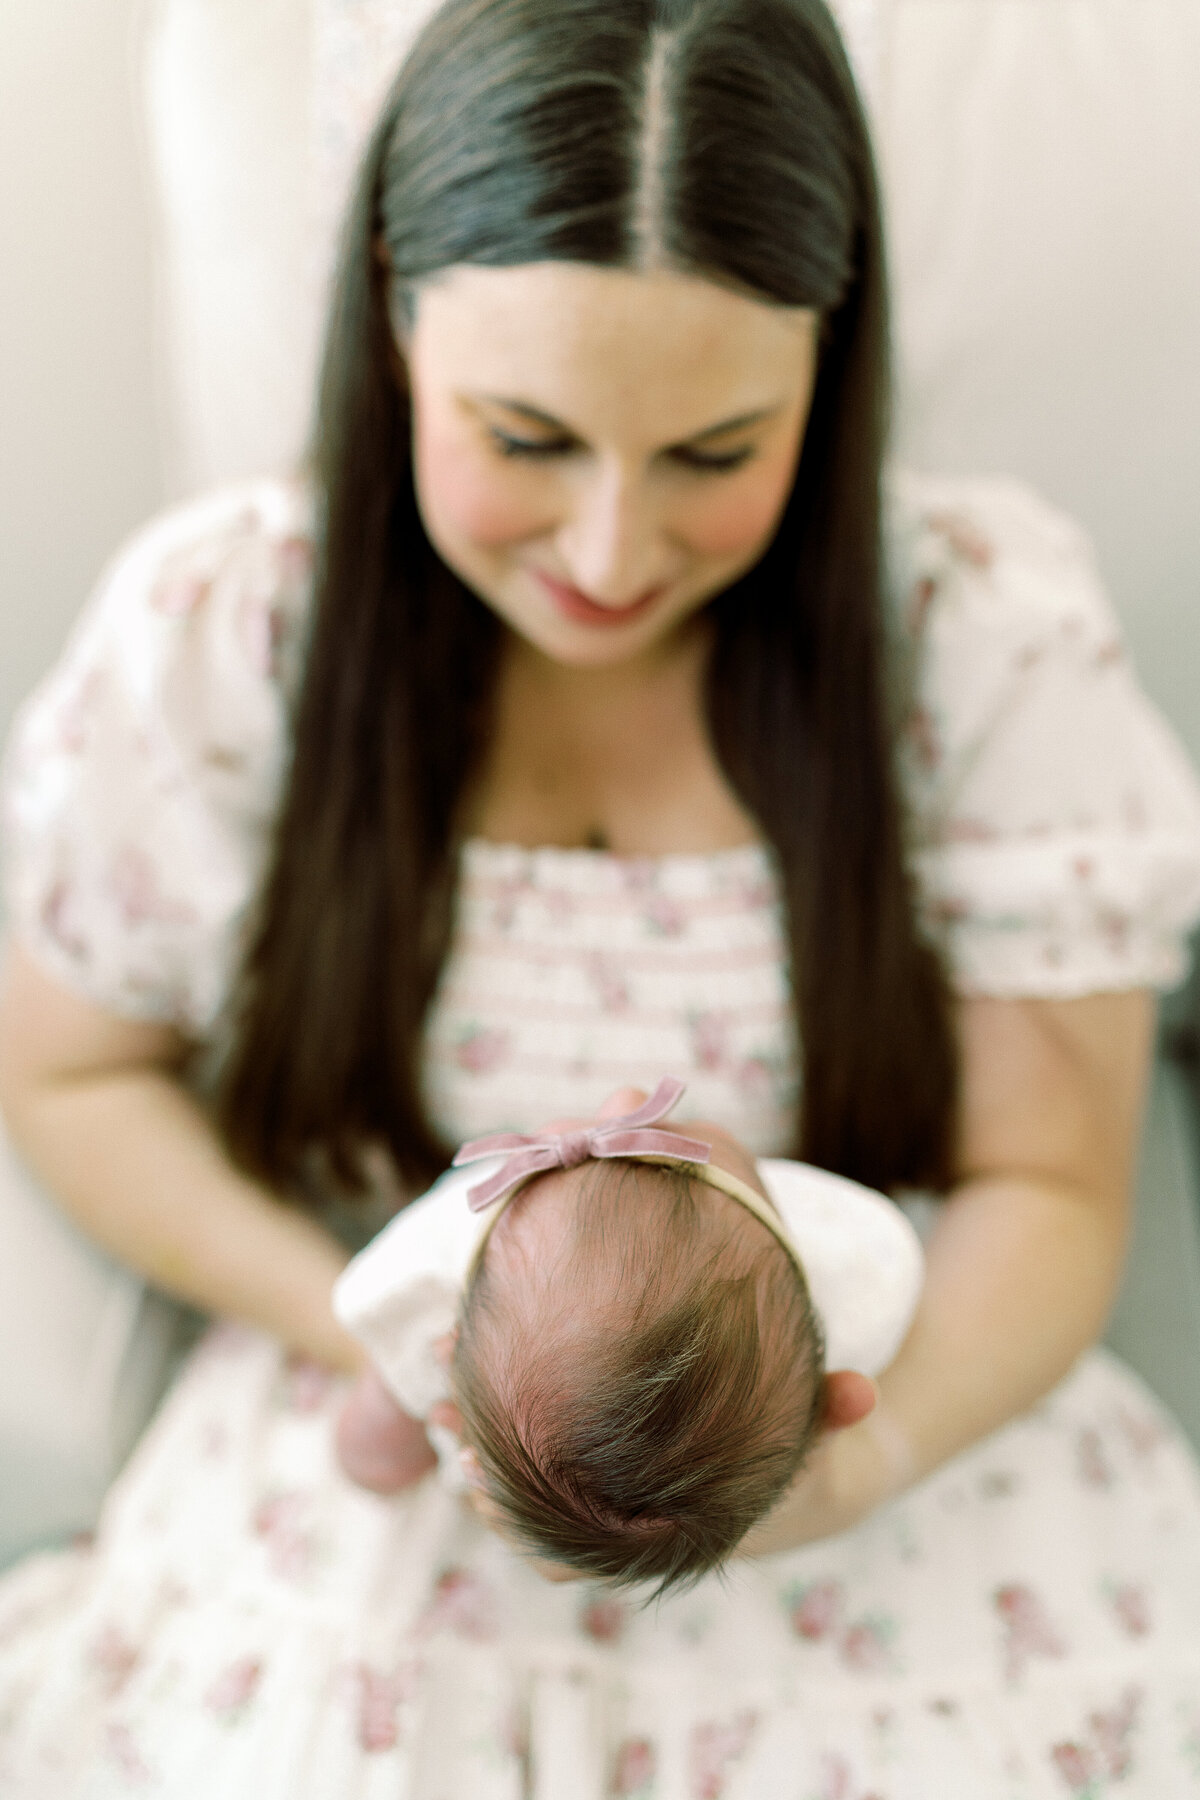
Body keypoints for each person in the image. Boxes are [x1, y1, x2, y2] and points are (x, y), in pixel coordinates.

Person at [2, 0, 1200, 1789]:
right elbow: (70, 1071)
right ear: (396, 320)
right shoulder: (233, 633)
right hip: (387, 1434)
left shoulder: (979, 631)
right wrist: (391, 1337)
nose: (610, 551)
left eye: (716, 453)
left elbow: (1050, 1174)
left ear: (832, 359)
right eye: (527, 436)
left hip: (904, 1459)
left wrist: (867, 1456)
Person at [332, 1077, 923, 1591]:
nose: (629, 1100)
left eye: (566, 1158)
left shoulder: (425, 1282)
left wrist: (391, 1410)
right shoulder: (841, 1275)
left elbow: (368, 1454)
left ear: (453, 1340)